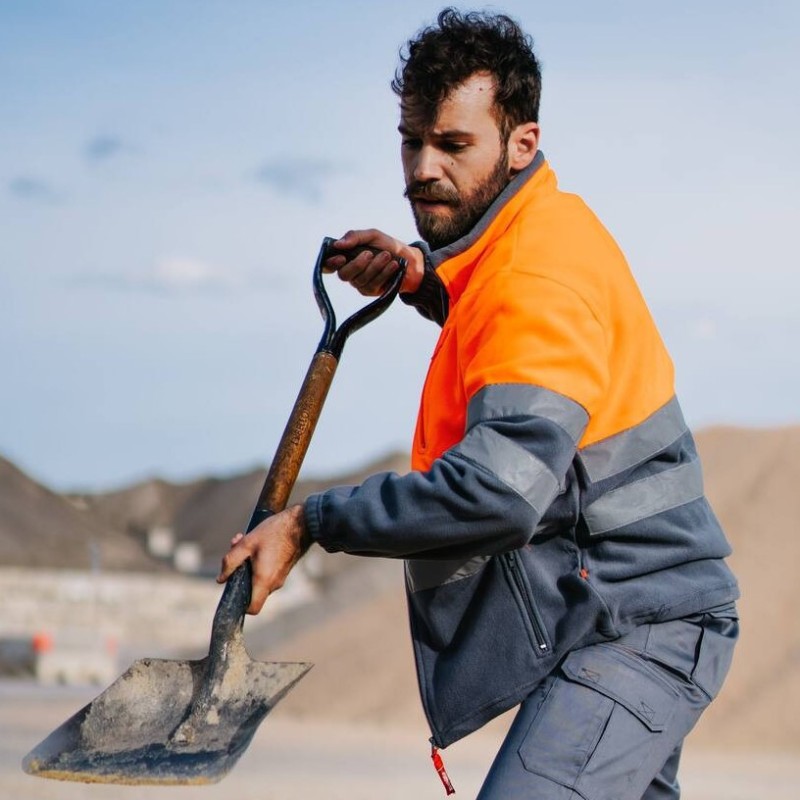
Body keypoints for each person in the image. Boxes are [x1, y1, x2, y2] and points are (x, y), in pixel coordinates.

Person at [218, 9, 739, 798]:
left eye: (453, 145)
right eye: (411, 140)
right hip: (621, 614)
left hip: (640, 628)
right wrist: (421, 280)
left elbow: (498, 494)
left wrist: (311, 523)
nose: (423, 168)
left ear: (521, 142)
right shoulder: (524, 241)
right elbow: (497, 322)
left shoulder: (537, 275)